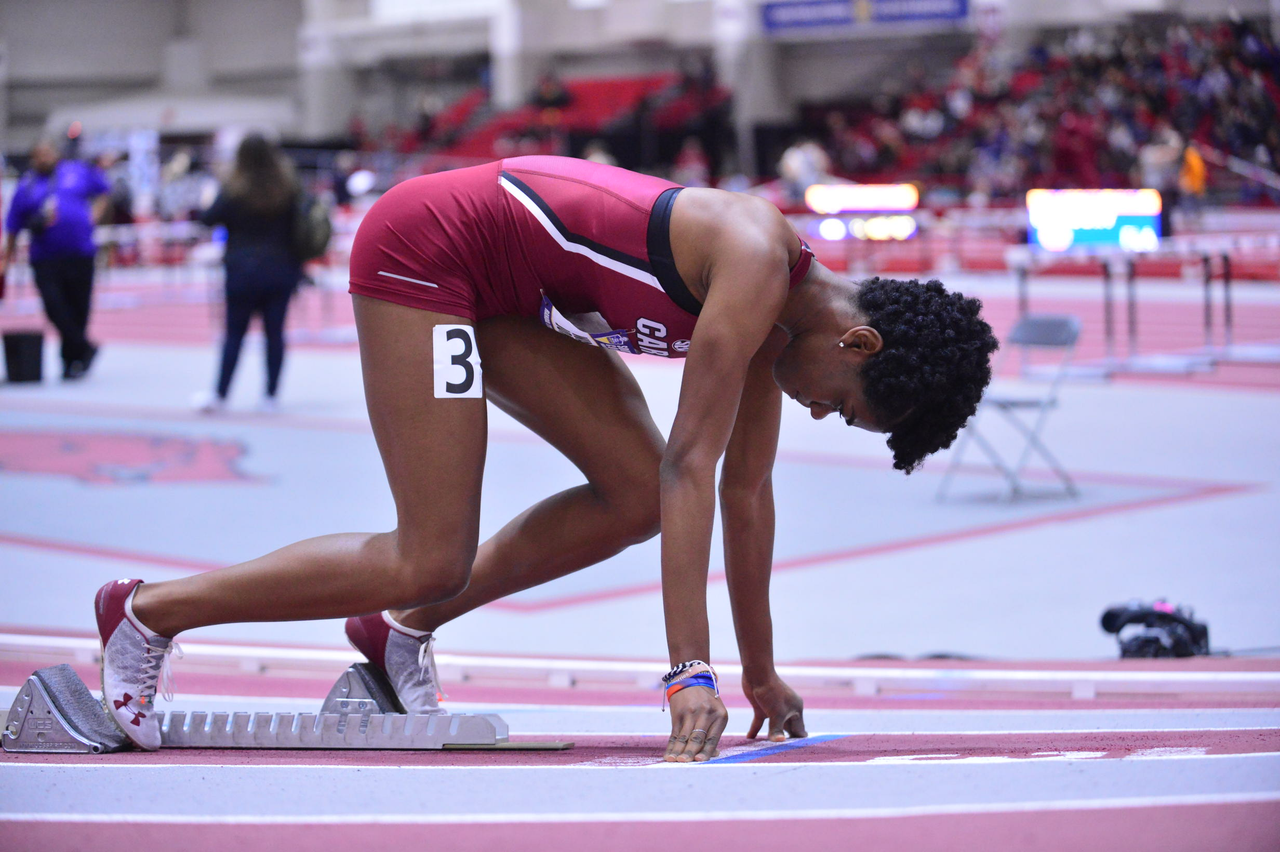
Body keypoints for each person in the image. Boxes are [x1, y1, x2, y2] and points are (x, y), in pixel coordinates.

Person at [96, 155, 997, 760]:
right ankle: (147, 614)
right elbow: (696, 465)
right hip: (430, 252)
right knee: (431, 551)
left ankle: (397, 626)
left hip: (510, 295)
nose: (819, 413)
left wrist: (758, 672)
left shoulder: (779, 330)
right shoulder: (758, 263)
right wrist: (689, 672)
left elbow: (744, 494)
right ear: (861, 345)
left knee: (636, 495)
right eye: (841, 408)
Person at [193, 134, 303, 414]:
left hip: (242, 270)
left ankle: (220, 394)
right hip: (280, 268)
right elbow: (299, 229)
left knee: (234, 334)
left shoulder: (233, 188)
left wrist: (207, 196)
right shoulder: (288, 187)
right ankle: (271, 396)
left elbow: (207, 219)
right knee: (275, 334)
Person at [1, 138, 110, 379]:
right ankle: (83, 348)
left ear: (56, 154)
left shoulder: (76, 172)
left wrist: (94, 216)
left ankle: (71, 362)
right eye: (38, 154)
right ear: (32, 159)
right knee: (55, 307)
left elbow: (104, 191)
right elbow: (12, 226)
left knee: (79, 308)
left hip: (81, 253)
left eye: (48, 153)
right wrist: (5, 259)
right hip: (45, 258)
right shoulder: (26, 186)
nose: (44, 158)